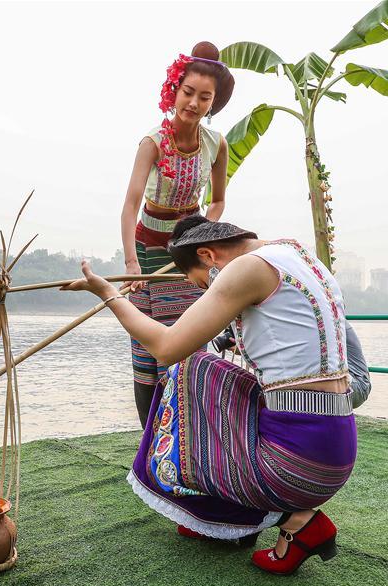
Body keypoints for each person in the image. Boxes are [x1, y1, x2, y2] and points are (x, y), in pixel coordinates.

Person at [63, 215, 371, 574]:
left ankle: (291, 520)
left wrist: (109, 294)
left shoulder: (245, 270)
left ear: (209, 256)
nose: (205, 290)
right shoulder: (295, 253)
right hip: (336, 450)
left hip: (296, 466)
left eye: (200, 283)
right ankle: (245, 522)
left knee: (188, 371)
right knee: (214, 374)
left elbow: (165, 347)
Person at [121, 41, 235, 428]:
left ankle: (186, 440)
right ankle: (148, 443)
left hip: (187, 250)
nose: (194, 103)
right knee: (146, 350)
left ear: (213, 101)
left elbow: (217, 202)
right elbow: (130, 205)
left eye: (205, 97)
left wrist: (203, 234)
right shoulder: (152, 142)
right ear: (175, 90)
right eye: (188, 93)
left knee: (188, 344)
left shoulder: (216, 144)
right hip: (148, 249)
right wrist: (132, 264)